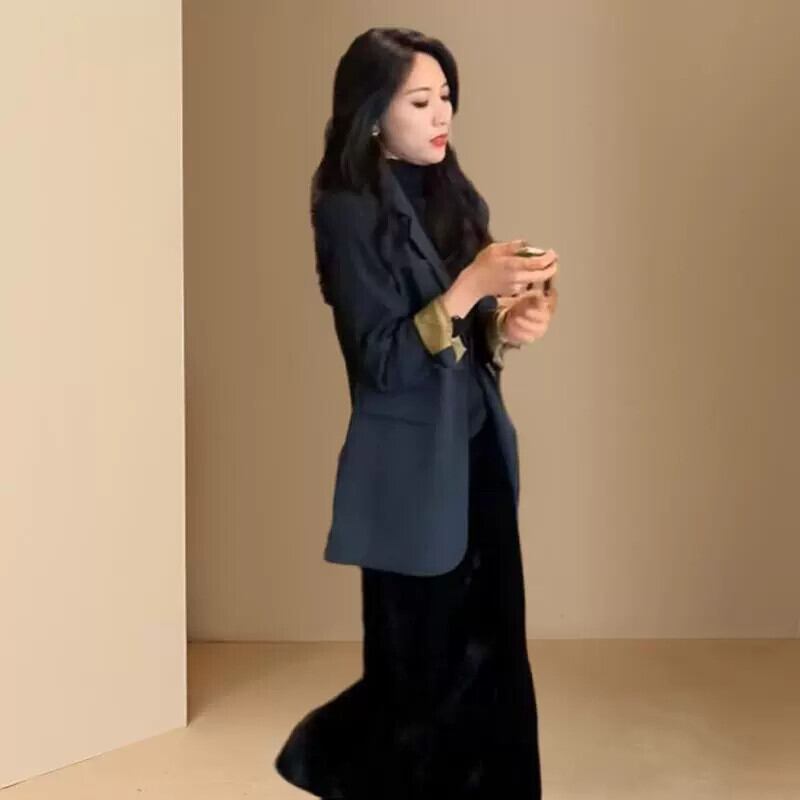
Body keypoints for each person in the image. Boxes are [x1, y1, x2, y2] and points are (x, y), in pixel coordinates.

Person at [274, 26, 559, 799]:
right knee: (416, 679)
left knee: (496, 662)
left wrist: (511, 322)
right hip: (407, 471)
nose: (443, 116)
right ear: (373, 114)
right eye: (421, 101)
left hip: (477, 452)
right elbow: (385, 363)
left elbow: (470, 337)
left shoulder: (454, 193)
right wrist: (470, 287)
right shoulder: (347, 213)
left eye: (447, 99)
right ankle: (328, 760)